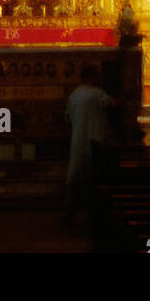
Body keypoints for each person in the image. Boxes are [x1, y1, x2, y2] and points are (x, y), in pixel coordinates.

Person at [63, 64, 120, 223]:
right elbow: (112, 104)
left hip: (78, 141)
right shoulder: (97, 93)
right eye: (96, 76)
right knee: (93, 178)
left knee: (74, 177)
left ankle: (69, 210)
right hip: (95, 142)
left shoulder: (74, 95)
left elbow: (67, 117)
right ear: (91, 77)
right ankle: (94, 214)